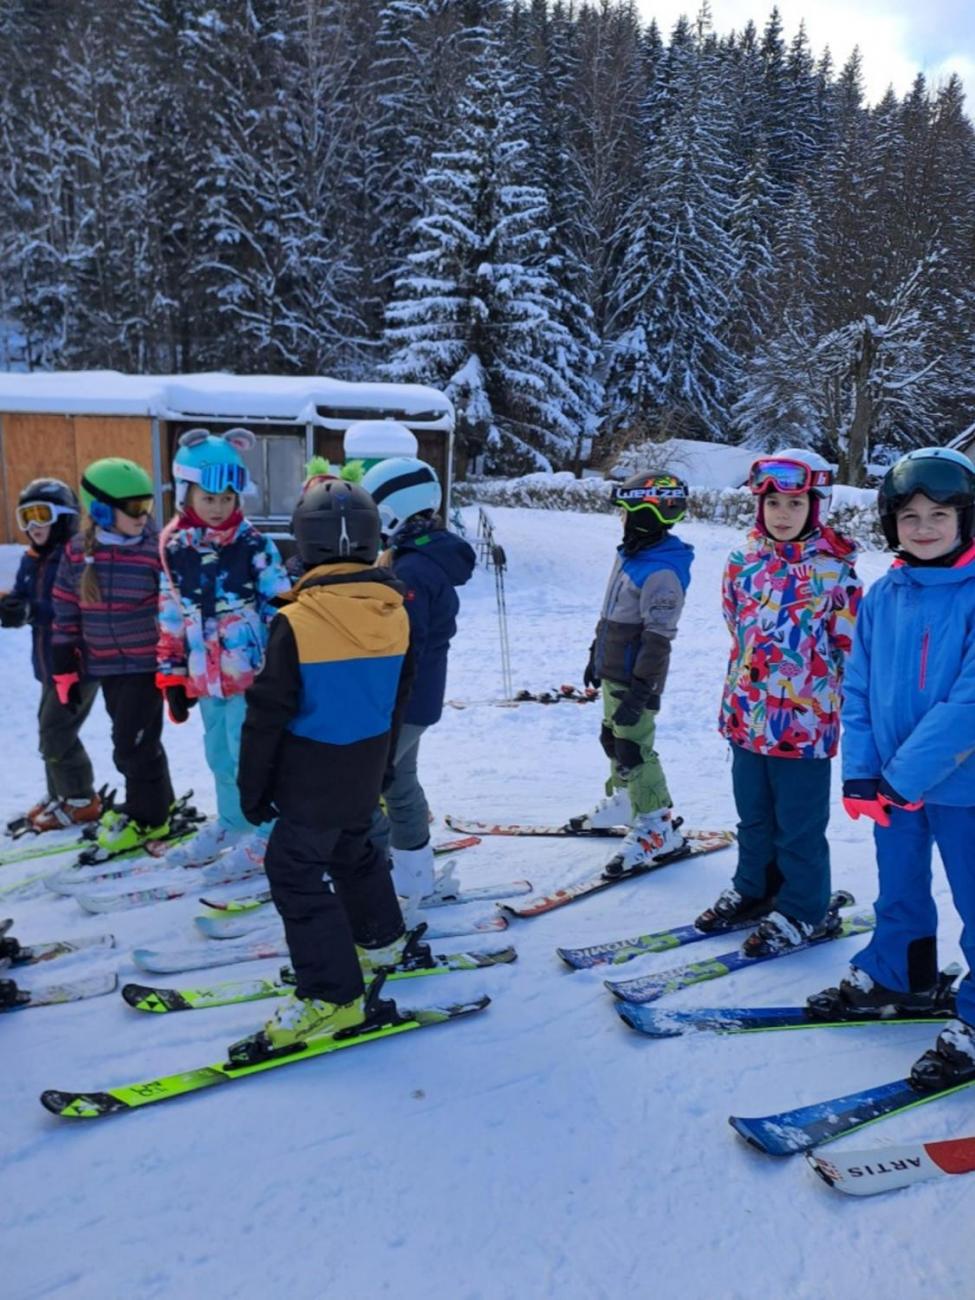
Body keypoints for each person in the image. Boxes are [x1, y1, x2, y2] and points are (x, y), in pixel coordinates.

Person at [809, 447, 975, 1088]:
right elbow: (857, 687)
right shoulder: (883, 596)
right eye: (909, 516)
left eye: (939, 515)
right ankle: (899, 974)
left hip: (963, 787)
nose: (924, 527)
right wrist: (861, 770)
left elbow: (968, 705)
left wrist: (901, 777)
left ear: (966, 520)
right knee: (898, 885)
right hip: (890, 786)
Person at [237, 479, 414, 1048]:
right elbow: (397, 701)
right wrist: (383, 768)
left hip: (312, 778)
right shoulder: (394, 612)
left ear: (305, 544)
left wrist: (252, 788)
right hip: (363, 767)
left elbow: (266, 715)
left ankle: (331, 994)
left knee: (294, 873)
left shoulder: (296, 621)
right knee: (352, 849)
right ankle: (380, 939)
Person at [697, 448, 862, 955]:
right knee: (753, 816)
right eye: (773, 504)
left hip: (803, 724)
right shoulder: (742, 563)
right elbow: (737, 626)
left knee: (798, 827)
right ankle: (755, 887)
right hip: (746, 715)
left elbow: (851, 649)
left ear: (816, 506)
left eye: (795, 503)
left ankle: (804, 908)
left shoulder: (835, 573)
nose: (782, 514)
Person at [156, 429, 290, 871]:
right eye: (208, 498)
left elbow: (280, 606)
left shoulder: (253, 544)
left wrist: (281, 667)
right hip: (206, 676)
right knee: (219, 755)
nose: (218, 507)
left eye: (226, 498)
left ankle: (269, 829)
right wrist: (172, 674)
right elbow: (171, 613)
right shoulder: (175, 546)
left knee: (250, 756)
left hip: (251, 673)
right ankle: (234, 821)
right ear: (187, 494)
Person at [360, 456, 476, 913]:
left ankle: (371, 878)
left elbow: (404, 648)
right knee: (400, 783)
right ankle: (414, 876)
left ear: (393, 510)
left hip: (402, 703)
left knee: (364, 788)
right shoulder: (422, 557)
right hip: (417, 702)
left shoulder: (411, 570)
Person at [51, 458, 175, 855]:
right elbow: (65, 608)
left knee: (130, 745)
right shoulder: (77, 552)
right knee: (139, 739)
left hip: (145, 665)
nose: (143, 516)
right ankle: (159, 803)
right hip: (106, 666)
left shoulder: (155, 550)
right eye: (134, 508)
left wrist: (179, 664)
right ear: (102, 510)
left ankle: (149, 818)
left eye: (147, 506)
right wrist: (64, 666)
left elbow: (174, 608)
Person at [582, 472, 694, 877]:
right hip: (615, 672)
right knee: (612, 739)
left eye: (627, 513)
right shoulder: (632, 555)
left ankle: (657, 824)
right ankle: (629, 800)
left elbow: (658, 640)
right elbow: (612, 614)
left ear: (646, 516)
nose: (622, 521)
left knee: (635, 749)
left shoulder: (661, 570)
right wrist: (595, 654)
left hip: (636, 679)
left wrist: (641, 691)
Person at [0, 479, 101, 832]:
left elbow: (76, 608)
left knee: (57, 732)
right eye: (26, 517)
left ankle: (81, 800)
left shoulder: (75, 560)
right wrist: (11, 606)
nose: (33, 525)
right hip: (48, 665)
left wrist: (32, 611)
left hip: (78, 665)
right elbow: (23, 595)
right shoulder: (33, 559)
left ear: (65, 517)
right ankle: (59, 793)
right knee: (49, 731)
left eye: (41, 515)